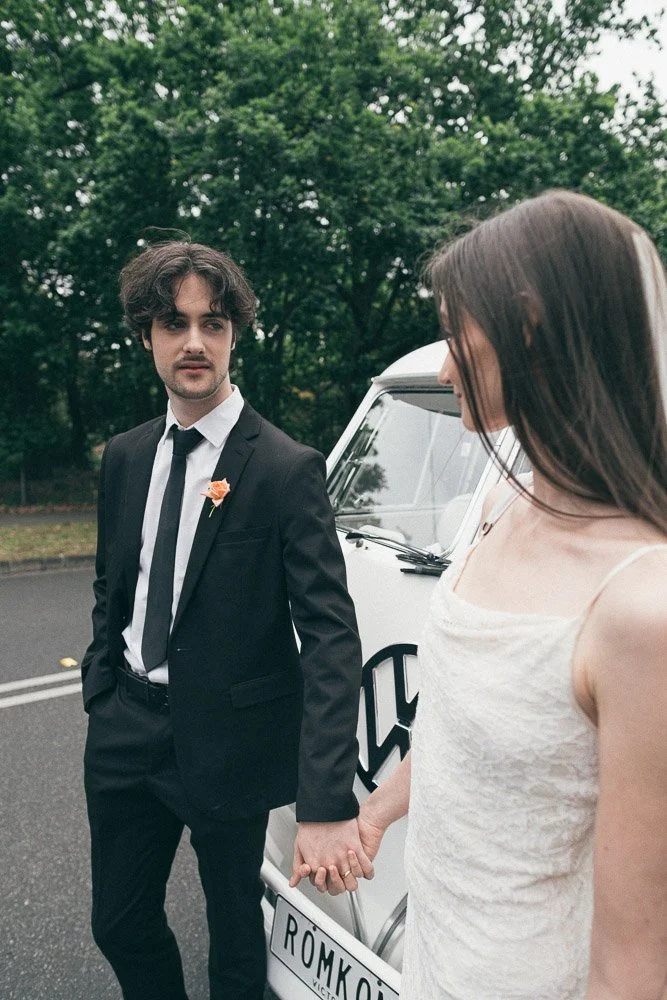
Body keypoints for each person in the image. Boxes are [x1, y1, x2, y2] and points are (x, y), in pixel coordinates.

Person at [315, 191, 667, 998]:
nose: (444, 369)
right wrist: (377, 812)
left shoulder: (639, 607)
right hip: (432, 964)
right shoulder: (500, 503)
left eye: (454, 334)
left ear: (528, 325)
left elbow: (630, 972)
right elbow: (459, 721)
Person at [81, 240, 374, 1000]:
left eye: (212, 324)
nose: (194, 343)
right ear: (146, 335)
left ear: (234, 334)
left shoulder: (284, 467)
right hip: (125, 731)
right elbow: (114, 583)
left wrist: (324, 802)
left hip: (229, 745)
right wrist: (101, 689)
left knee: (237, 947)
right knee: (119, 923)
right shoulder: (125, 457)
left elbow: (331, 638)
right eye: (174, 324)